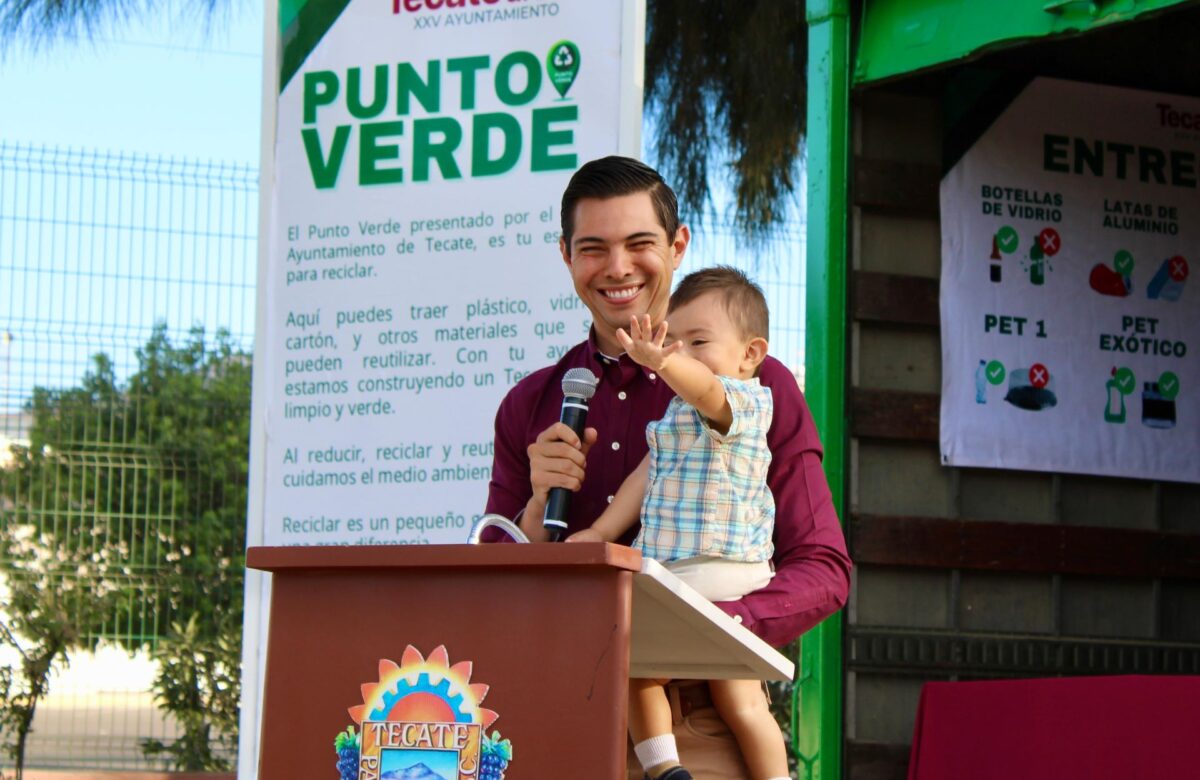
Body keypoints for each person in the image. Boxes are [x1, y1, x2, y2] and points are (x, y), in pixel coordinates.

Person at [484, 155, 851, 778]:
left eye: (640, 243)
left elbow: (823, 567)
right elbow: (494, 588)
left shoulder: (752, 385)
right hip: (551, 718)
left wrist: (717, 627)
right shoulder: (533, 402)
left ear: (678, 245)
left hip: (702, 719)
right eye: (593, 247)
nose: (618, 267)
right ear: (566, 257)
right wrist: (537, 504)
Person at [566, 267, 789, 780]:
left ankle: (667, 768)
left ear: (750, 354)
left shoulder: (744, 403)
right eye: (677, 340)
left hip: (719, 568)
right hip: (678, 574)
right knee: (711, 688)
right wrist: (600, 532)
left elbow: (706, 388)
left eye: (699, 341)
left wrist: (664, 359)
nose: (683, 353)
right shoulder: (674, 417)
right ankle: (674, 770)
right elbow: (645, 477)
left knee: (649, 669)